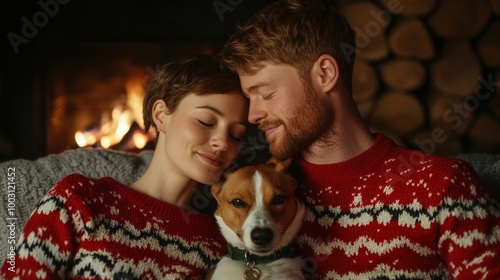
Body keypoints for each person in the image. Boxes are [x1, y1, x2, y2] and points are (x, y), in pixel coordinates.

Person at [220, 0, 500, 279]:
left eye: (266, 94)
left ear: (325, 74)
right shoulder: (254, 194)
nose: (253, 114)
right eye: (249, 98)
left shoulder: (442, 186)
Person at [0, 54, 249, 279]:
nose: (223, 143)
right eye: (206, 121)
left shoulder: (222, 242)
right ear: (161, 115)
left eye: (236, 135)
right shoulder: (79, 200)